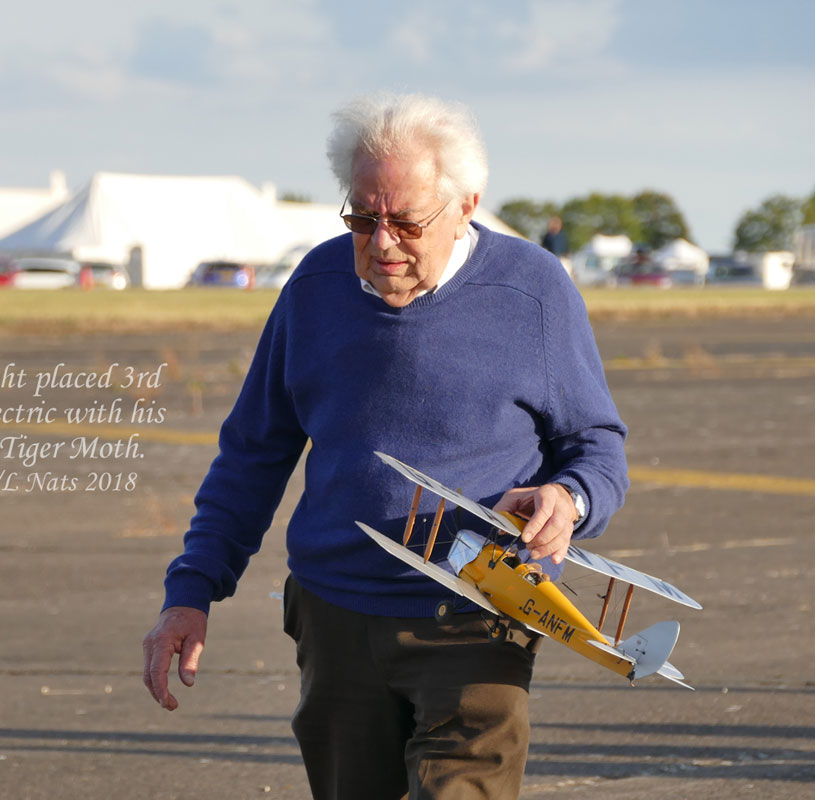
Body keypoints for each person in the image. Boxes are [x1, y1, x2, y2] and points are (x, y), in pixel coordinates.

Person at [141, 92, 628, 799]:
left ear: (467, 206)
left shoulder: (534, 290)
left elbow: (597, 448)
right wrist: (190, 591)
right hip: (334, 619)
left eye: (406, 222)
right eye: (363, 219)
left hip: (476, 620)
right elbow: (252, 454)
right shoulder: (315, 286)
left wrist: (570, 499)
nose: (383, 243)